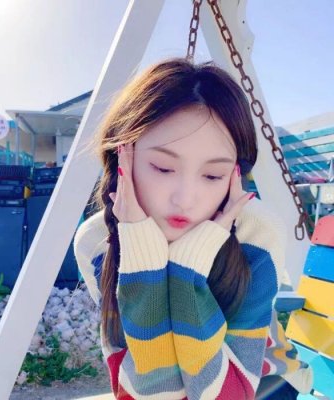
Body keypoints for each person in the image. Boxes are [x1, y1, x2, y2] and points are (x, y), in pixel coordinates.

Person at [73, 58, 313, 399]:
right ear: (121, 157)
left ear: (234, 176)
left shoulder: (256, 234)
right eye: (163, 167)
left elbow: (229, 395)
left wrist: (186, 274)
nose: (185, 199)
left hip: (266, 383)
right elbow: (148, 392)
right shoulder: (99, 242)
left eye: (213, 175)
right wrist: (143, 259)